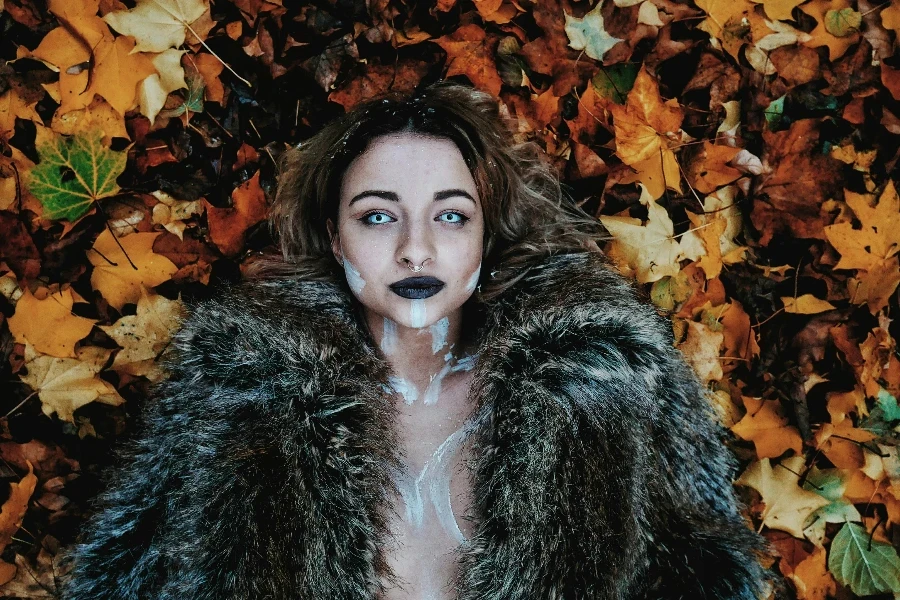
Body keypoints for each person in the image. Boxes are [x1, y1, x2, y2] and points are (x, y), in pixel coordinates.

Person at [59, 81, 775, 599]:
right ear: (333, 236)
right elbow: (122, 575)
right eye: (376, 217)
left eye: (452, 216)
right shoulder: (243, 388)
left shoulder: (601, 377)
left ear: (488, 234)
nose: (415, 250)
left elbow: (710, 574)